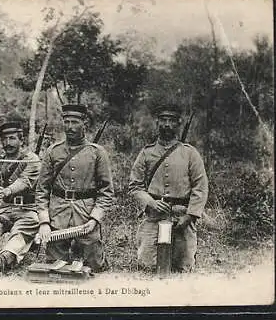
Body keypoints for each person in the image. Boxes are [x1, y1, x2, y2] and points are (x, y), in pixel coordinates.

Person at [128, 102, 208, 273]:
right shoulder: (146, 153)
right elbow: (135, 186)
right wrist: (151, 202)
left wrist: (190, 215)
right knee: (147, 265)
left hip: (181, 216)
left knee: (183, 266)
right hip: (154, 215)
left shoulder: (190, 153)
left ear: (178, 123)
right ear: (157, 122)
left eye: (171, 120)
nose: (166, 124)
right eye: (162, 120)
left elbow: (200, 187)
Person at [36, 104, 114, 273]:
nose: (70, 127)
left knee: (93, 267)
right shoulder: (53, 152)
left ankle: (88, 252)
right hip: (58, 216)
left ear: (84, 123)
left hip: (86, 216)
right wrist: (44, 222)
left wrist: (94, 219)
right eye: (67, 122)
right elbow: (41, 190)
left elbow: (106, 192)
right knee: (54, 268)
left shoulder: (97, 153)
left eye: (75, 122)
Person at [0, 119, 41, 272]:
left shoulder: (32, 160)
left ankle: (5, 259)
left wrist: (7, 191)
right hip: (4, 209)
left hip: (27, 210)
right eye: (4, 139)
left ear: (21, 139)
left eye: (12, 138)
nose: (7, 143)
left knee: (20, 235)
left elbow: (25, 181)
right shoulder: (0, 160)